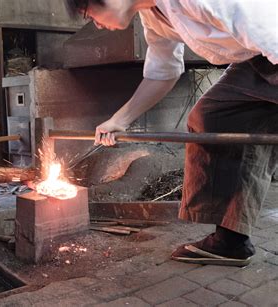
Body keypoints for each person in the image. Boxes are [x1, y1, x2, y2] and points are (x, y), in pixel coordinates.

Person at [65, 0, 277, 266]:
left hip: (274, 45)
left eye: (90, 13)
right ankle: (231, 240)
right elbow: (163, 73)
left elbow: (271, 31)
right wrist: (119, 119)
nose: (95, 23)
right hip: (252, 60)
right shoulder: (154, 16)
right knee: (212, 116)